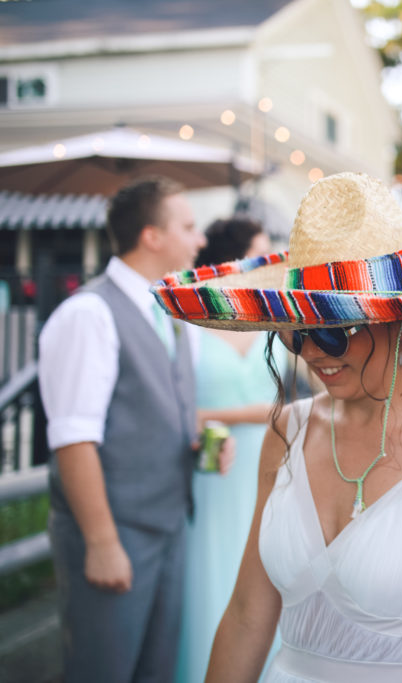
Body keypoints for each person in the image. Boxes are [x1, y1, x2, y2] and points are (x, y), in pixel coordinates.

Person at [153, 172, 402, 682]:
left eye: (336, 331)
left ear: (397, 318)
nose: (313, 352)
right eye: (296, 331)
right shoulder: (286, 434)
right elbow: (249, 614)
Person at [39, 175, 231, 682]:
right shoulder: (89, 314)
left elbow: (152, 409)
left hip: (170, 526)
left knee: (155, 672)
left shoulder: (169, 313)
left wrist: (199, 442)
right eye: (188, 227)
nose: (200, 240)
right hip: (115, 533)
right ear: (152, 236)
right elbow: (73, 437)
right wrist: (102, 542)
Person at [174, 216, 284, 683]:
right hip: (212, 470)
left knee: (270, 576)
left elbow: (290, 404)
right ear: (231, 259)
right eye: (259, 251)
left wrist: (232, 413)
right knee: (210, 580)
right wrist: (246, 414)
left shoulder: (269, 320)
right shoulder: (186, 326)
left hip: (271, 469)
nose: (267, 261)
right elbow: (178, 410)